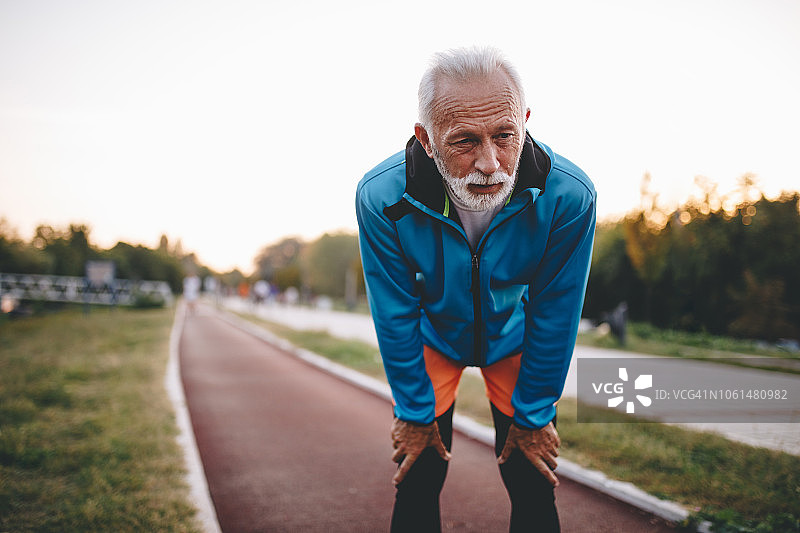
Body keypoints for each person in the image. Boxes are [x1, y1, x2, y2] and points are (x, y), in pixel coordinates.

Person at [355, 46, 596, 532]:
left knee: (533, 476)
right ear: (425, 139)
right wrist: (414, 411)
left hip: (514, 336)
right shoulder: (381, 197)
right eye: (465, 141)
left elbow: (556, 311)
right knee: (418, 472)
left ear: (524, 122)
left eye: (505, 136)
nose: (490, 163)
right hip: (434, 338)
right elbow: (394, 311)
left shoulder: (570, 195)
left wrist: (534, 415)